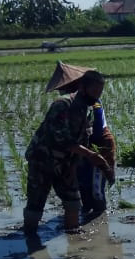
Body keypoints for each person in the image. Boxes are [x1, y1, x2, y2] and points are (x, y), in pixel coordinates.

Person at [22, 70, 113, 233]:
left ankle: (73, 239)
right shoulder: (62, 104)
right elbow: (63, 139)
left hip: (65, 163)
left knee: (73, 202)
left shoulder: (88, 109)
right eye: (94, 92)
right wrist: (91, 155)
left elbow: (83, 140)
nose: (96, 96)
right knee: (36, 203)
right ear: (82, 87)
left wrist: (73, 168)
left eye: (99, 93)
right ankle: (30, 239)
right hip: (42, 160)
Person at [50, 63, 116, 219]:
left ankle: (100, 218)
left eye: (65, 89)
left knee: (96, 187)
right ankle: (86, 213)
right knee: (82, 183)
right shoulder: (70, 104)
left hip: (99, 145)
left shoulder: (93, 102)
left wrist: (88, 150)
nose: (63, 92)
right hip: (82, 149)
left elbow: (98, 129)